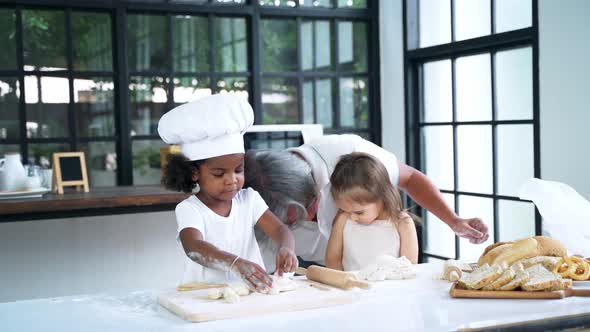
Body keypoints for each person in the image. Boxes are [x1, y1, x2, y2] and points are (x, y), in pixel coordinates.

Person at [245, 134, 489, 270]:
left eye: (311, 206)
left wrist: (454, 220)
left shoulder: (348, 155)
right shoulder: (250, 209)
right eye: (292, 221)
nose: (310, 218)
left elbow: (411, 178)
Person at [159, 94, 298, 292]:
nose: (231, 179)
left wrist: (286, 247)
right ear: (194, 173)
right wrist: (234, 263)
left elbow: (280, 230)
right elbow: (194, 247)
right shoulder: (190, 209)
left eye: (238, 170)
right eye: (219, 173)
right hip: (203, 295)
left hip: (248, 293)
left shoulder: (249, 200)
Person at [325, 153, 418, 271]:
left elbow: (409, 265)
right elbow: (332, 260)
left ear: (382, 198)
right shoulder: (343, 220)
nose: (352, 217)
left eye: (359, 212)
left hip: (390, 287)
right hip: (351, 287)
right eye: (344, 210)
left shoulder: (402, 223)